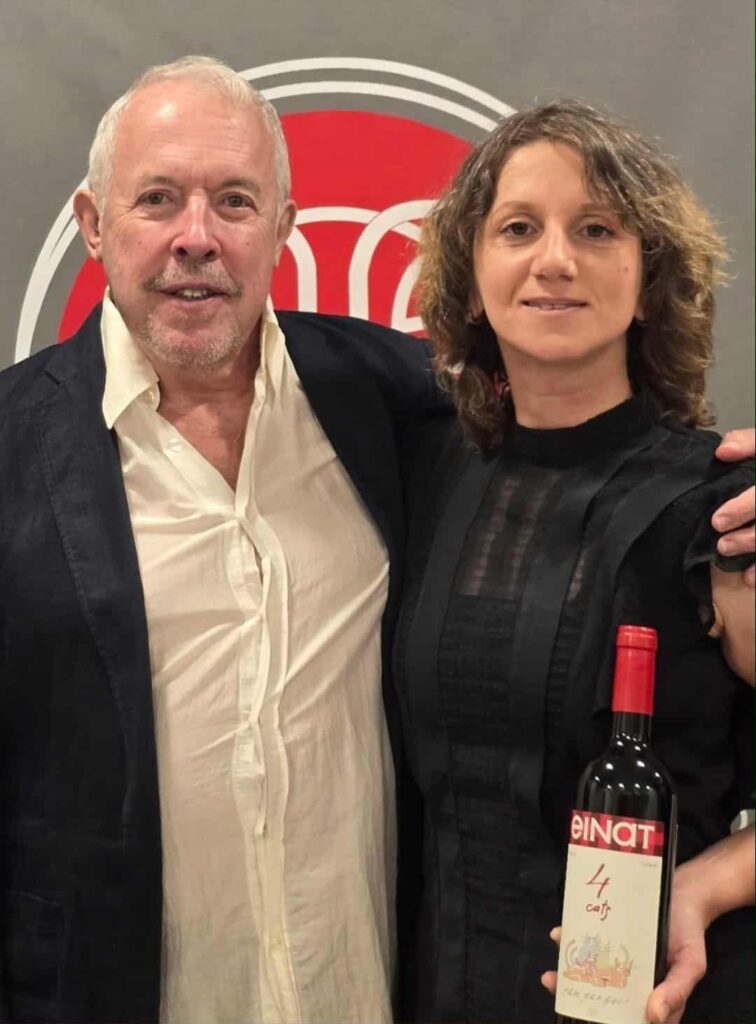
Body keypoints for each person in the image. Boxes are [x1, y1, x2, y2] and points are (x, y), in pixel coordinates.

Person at [0, 61, 751, 1024]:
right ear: (93, 223)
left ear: (284, 226)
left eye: (235, 201)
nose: (196, 237)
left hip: (416, 992)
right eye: (157, 199)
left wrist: (709, 884)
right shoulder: (17, 446)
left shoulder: (389, 405)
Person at [394, 100, 755, 1024]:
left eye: (596, 230)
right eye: (519, 228)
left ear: (650, 280)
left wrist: (710, 883)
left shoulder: (724, 511)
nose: (554, 260)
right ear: (471, 279)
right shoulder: (426, 471)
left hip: (653, 999)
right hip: (442, 989)